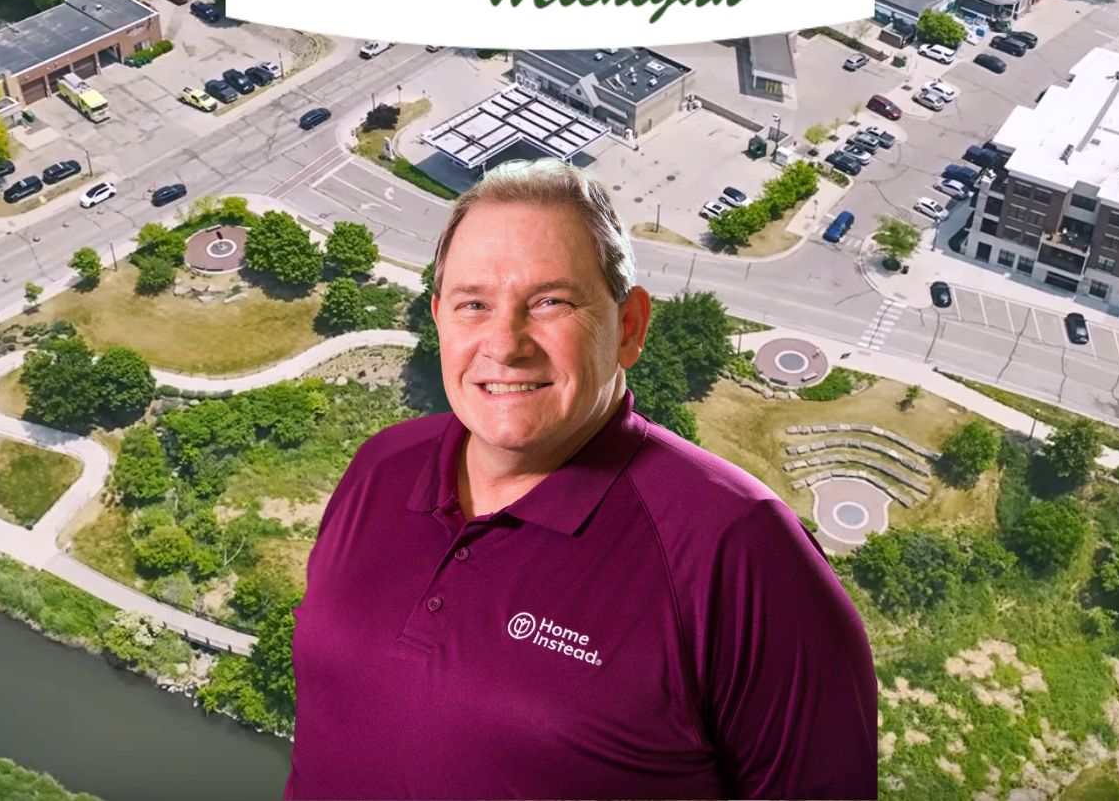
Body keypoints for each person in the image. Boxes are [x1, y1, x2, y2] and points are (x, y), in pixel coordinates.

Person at [286, 158, 877, 800]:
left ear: (629, 328)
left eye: (550, 303)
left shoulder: (740, 551)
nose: (505, 344)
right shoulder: (381, 466)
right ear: (439, 319)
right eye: (473, 304)